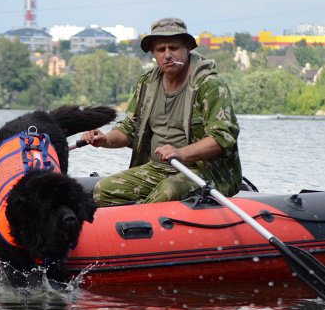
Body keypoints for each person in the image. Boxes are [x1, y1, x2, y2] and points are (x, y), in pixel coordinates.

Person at [80, 17, 242, 206]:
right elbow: (130, 127)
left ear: (187, 48)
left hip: (202, 172)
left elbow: (223, 139)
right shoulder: (147, 83)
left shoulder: (209, 85)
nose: (167, 55)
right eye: (160, 50)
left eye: (173, 48)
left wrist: (180, 153)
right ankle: (136, 221)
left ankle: (144, 218)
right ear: (153, 53)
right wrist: (105, 140)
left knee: (168, 191)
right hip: (158, 169)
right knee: (103, 191)